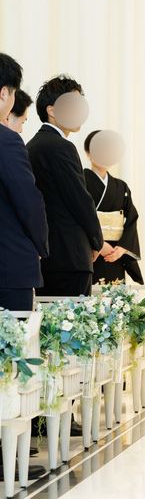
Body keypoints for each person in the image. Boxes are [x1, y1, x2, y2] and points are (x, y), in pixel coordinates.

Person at [27, 75, 103, 297]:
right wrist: (97, 240)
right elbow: (79, 199)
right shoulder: (61, 147)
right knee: (76, 318)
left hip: (46, 257)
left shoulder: (32, 146)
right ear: (52, 110)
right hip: (71, 257)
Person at [0, 54, 48, 312]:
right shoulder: (6, 141)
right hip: (8, 268)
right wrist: (40, 244)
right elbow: (28, 201)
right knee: (15, 337)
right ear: (4, 94)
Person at [83, 130, 143, 285]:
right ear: (88, 152)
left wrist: (122, 248)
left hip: (114, 254)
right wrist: (99, 244)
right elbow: (78, 217)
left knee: (115, 295)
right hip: (90, 251)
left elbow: (131, 218)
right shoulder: (79, 183)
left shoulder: (121, 186)